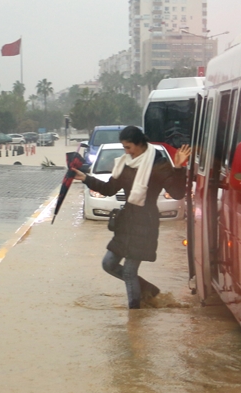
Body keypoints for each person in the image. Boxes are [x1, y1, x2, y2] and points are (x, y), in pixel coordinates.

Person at [72, 126, 190, 309]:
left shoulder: (158, 164)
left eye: (128, 147)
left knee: (129, 271)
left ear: (140, 143)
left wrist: (178, 168)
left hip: (145, 222)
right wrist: (85, 178)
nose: (126, 152)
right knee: (108, 264)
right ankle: (148, 289)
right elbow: (109, 189)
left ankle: (134, 315)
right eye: (124, 148)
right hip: (126, 222)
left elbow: (177, 193)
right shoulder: (126, 164)